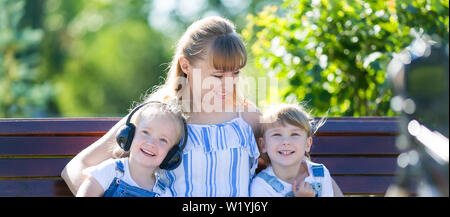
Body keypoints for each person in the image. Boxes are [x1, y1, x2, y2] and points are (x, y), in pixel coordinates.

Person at [62, 16, 342, 196]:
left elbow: (302, 166)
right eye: (217, 75)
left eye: (235, 74)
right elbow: (77, 168)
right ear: (186, 65)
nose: (228, 84)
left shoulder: (247, 117)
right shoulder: (160, 115)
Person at [76, 102, 186, 197]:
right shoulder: (111, 170)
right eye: (145, 132)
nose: (151, 143)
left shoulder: (163, 193)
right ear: (129, 135)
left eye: (163, 140)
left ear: (171, 155)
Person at [250, 104, 335, 197]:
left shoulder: (320, 174)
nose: (286, 142)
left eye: (294, 134)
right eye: (277, 134)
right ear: (263, 145)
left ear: (307, 144)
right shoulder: (262, 186)